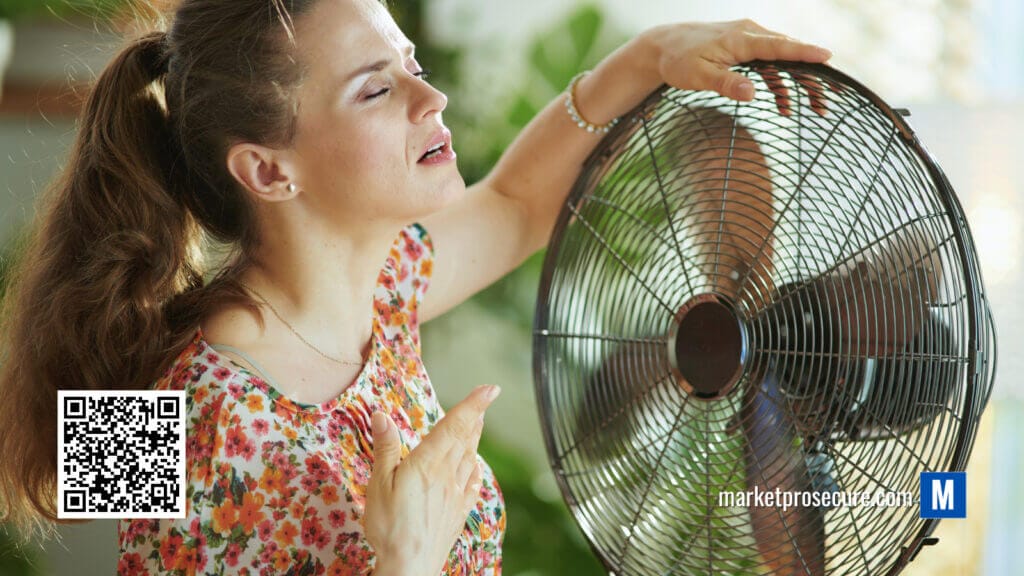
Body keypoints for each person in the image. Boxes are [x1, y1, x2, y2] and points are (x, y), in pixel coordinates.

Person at [0, 0, 832, 573]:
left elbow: (514, 203)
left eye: (412, 65)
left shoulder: (380, 289)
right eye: (377, 89)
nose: (431, 98)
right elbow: (99, 501)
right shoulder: (200, 416)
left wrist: (654, 55)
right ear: (267, 169)